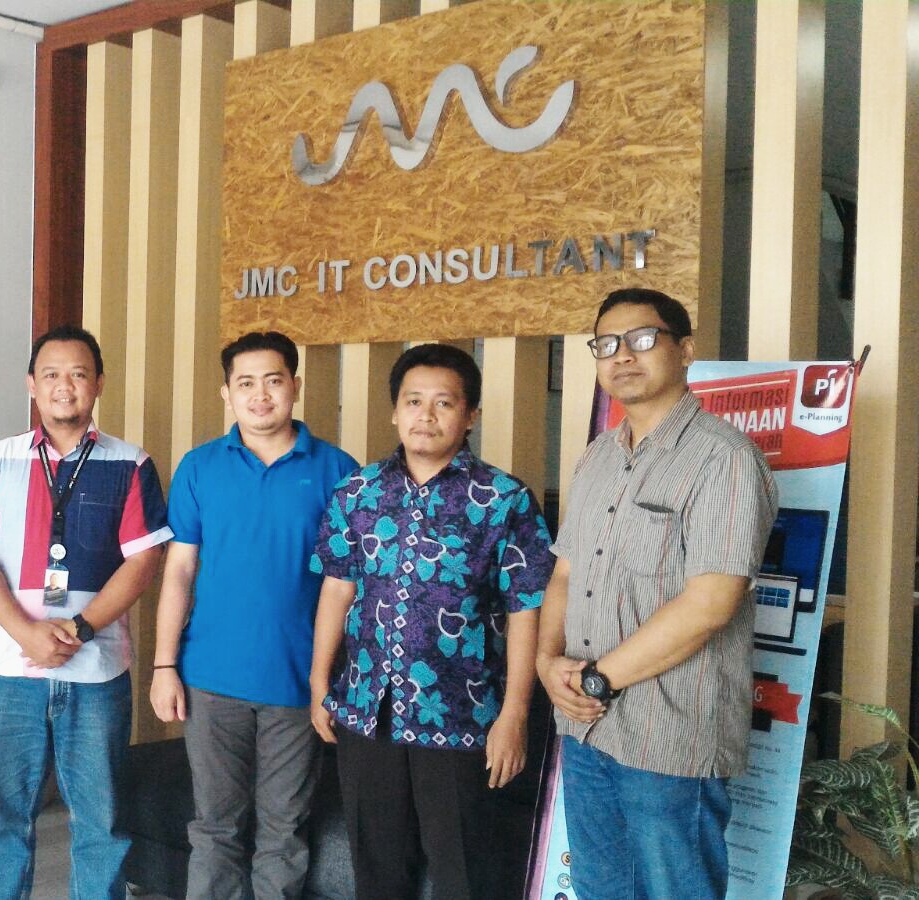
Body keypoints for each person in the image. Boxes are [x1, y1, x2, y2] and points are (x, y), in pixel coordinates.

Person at [536, 289, 778, 899]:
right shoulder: (597, 457)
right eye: (606, 344)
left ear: (685, 350)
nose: (623, 355)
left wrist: (596, 681)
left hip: (669, 738)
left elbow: (710, 605)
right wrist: (545, 661)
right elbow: (565, 573)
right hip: (586, 730)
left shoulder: (723, 459)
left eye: (643, 339)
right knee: (599, 887)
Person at [308, 343, 553, 900]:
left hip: (463, 715)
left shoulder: (504, 500)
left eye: (444, 403)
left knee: (465, 873)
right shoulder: (358, 491)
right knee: (377, 869)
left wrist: (515, 714)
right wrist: (320, 683)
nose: (426, 415)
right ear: (394, 411)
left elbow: (526, 610)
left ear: (470, 415)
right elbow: (337, 588)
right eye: (413, 401)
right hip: (366, 710)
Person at [0, 324, 172, 900]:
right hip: (9, 667)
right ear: (32, 384)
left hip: (96, 669)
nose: (64, 385)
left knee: (100, 822)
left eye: (78, 373)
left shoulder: (131, 463)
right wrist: (25, 631)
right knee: (3, 819)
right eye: (51, 374)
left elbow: (144, 559)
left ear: (98, 383)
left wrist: (80, 627)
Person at [149, 331, 357, 900]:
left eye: (273, 380)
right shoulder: (199, 467)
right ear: (227, 393)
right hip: (211, 679)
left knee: (284, 831)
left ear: (295, 386)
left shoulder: (338, 470)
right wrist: (164, 666)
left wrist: (330, 680)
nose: (260, 395)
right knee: (215, 826)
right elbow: (179, 571)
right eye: (245, 383)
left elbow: (349, 586)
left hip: (299, 681)